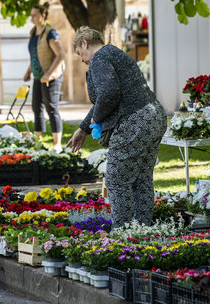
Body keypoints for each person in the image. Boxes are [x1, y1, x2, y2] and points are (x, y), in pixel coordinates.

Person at [66, 26, 167, 228]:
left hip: (134, 121)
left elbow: (109, 94)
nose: (82, 60)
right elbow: (104, 97)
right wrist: (84, 128)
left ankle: (123, 235)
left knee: (116, 181)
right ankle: (142, 232)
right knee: (141, 181)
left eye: (79, 53)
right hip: (153, 116)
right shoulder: (113, 52)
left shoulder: (99, 58)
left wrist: (95, 120)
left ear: (84, 43)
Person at [22, 3, 66, 151]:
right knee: (36, 107)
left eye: (35, 15)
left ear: (43, 16)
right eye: (31, 15)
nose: (32, 18)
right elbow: (35, 55)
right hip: (38, 76)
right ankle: (38, 141)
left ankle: (57, 144)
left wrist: (48, 74)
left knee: (51, 107)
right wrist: (29, 71)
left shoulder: (50, 33)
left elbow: (61, 54)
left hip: (51, 77)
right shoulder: (33, 33)